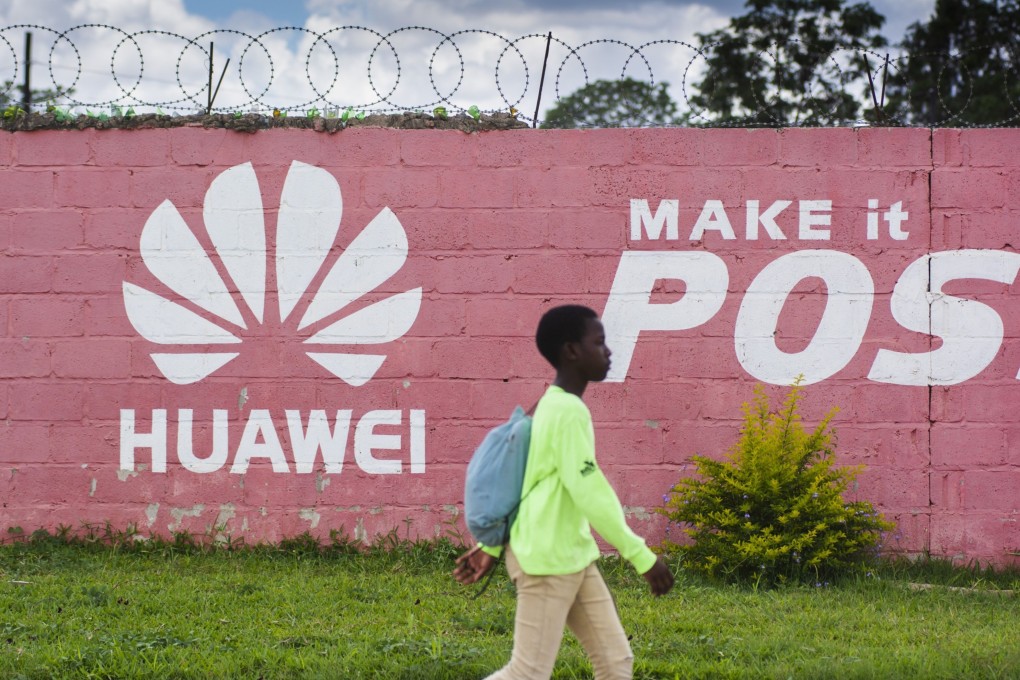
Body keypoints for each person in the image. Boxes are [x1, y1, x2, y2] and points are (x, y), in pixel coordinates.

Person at [454, 304, 674, 680]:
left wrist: (492, 547)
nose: (608, 352)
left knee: (615, 663)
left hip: (572, 556)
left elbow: (525, 479)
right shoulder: (566, 411)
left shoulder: (551, 405)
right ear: (572, 351)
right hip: (546, 561)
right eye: (599, 343)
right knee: (527, 672)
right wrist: (641, 556)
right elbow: (589, 490)